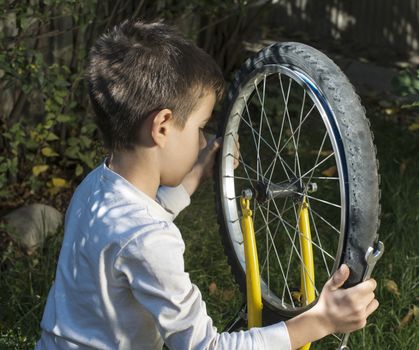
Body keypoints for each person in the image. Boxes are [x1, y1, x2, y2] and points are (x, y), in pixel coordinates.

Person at [35, 20, 379, 350]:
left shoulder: (96, 188)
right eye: (200, 127)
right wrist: (322, 320)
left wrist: (193, 177)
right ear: (163, 126)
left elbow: (135, 227)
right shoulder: (149, 241)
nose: (202, 141)